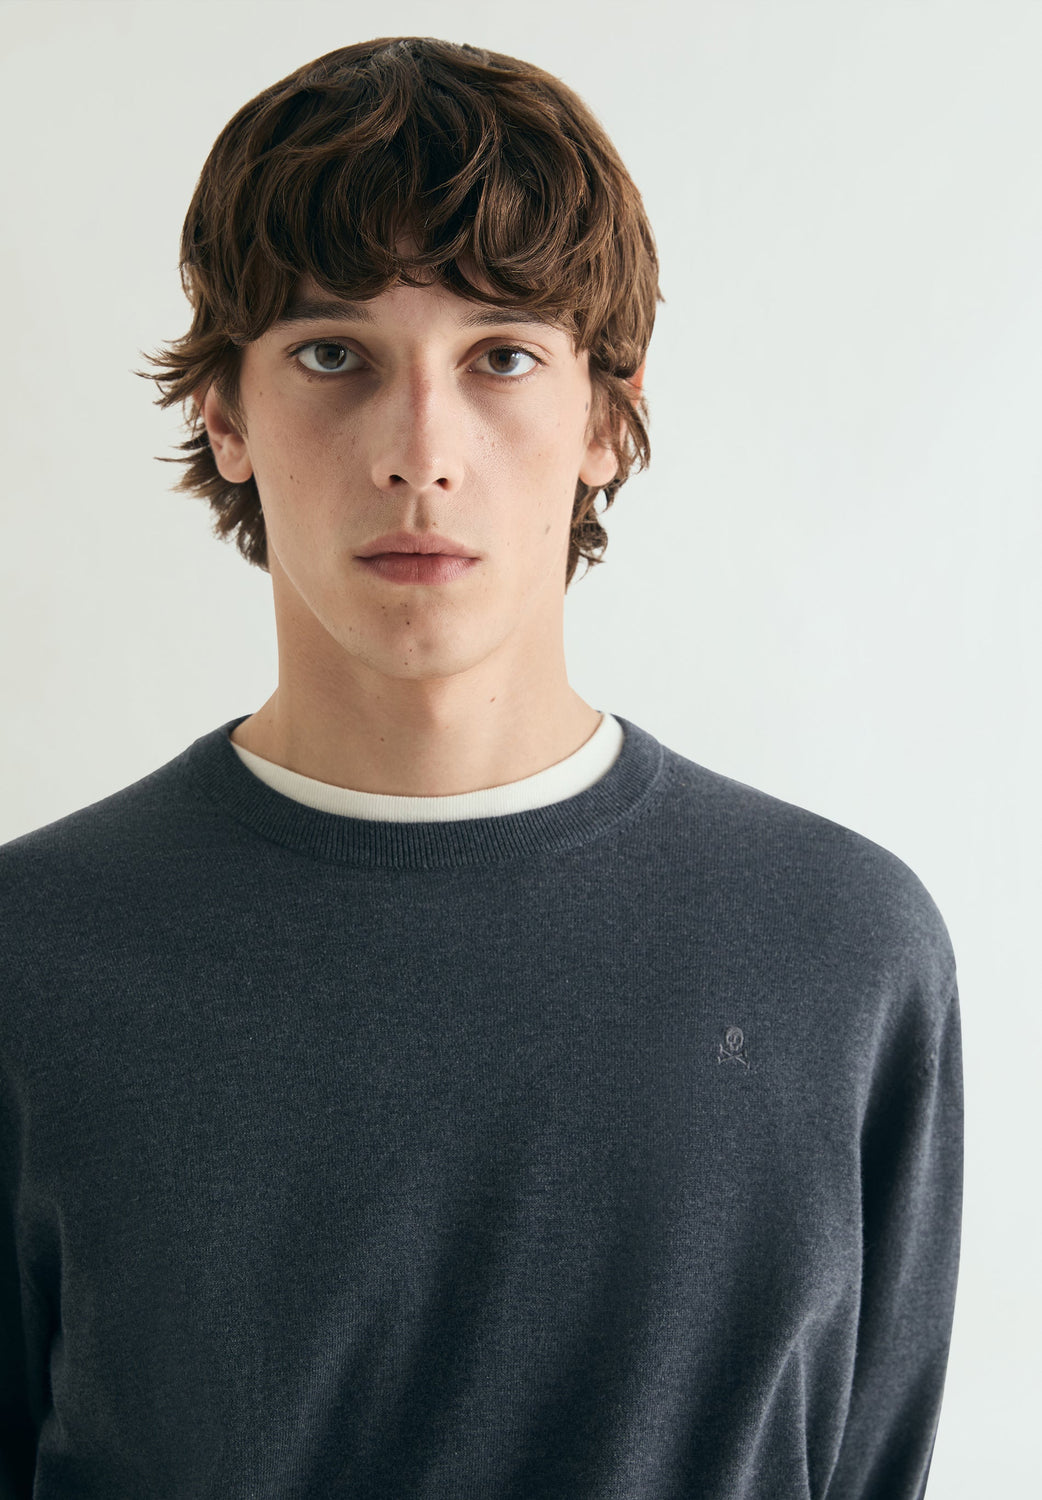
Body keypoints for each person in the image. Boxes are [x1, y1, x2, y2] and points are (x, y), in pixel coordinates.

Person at [0, 36, 962, 1499]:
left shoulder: (840, 949)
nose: (419, 452)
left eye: (501, 356)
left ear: (606, 416)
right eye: (333, 355)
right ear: (225, 414)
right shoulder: (35, 955)